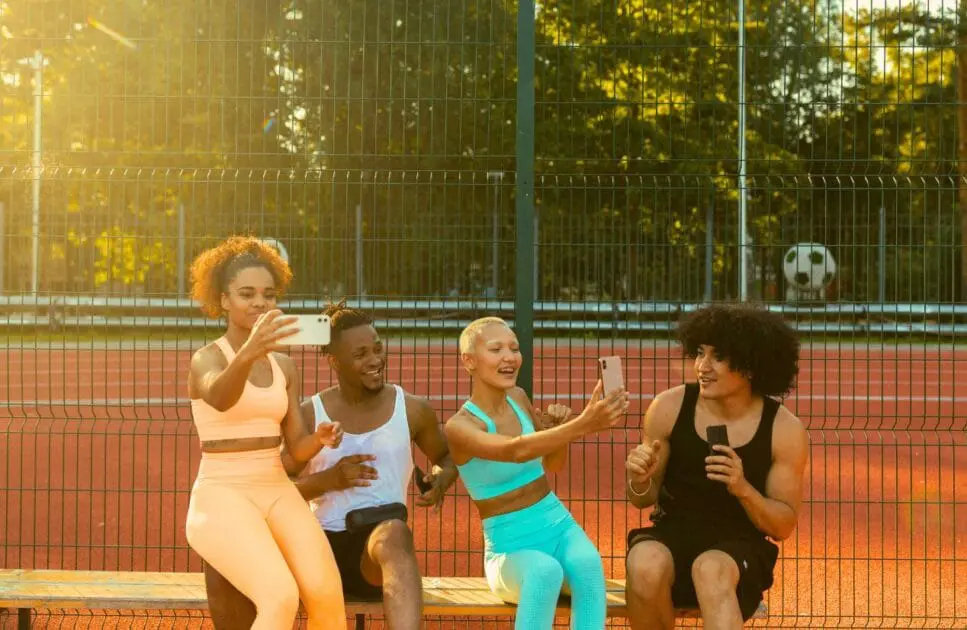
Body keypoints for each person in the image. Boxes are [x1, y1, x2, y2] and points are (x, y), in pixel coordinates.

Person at [205, 302, 459, 630]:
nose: (374, 361)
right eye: (361, 354)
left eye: (377, 349)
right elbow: (271, 488)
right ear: (334, 361)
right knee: (225, 549)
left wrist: (441, 479)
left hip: (374, 554)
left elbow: (447, 459)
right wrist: (328, 480)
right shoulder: (311, 415)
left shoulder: (412, 410)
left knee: (396, 533)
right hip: (315, 549)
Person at [184, 236, 346, 630]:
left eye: (268, 295)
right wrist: (251, 349)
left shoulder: (284, 367)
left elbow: (298, 447)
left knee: (326, 595)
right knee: (279, 596)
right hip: (222, 492)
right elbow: (221, 397)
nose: (260, 303)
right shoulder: (206, 358)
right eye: (247, 294)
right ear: (224, 301)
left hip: (275, 486)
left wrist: (321, 438)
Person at [624, 303, 809, 630]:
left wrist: (743, 489)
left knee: (711, 568)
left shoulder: (784, 429)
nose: (701, 366)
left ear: (750, 367)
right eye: (699, 353)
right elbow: (642, 498)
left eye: (717, 357)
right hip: (673, 534)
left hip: (739, 551)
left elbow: (782, 527)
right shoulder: (667, 407)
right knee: (643, 563)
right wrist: (638, 478)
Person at [444, 317, 629, 630]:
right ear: (469, 361)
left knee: (588, 567)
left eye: (514, 348)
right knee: (544, 572)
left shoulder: (518, 398)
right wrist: (584, 423)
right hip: (509, 548)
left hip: (559, 526)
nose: (509, 357)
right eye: (496, 349)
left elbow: (553, 464)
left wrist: (559, 429)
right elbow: (515, 450)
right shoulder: (461, 426)